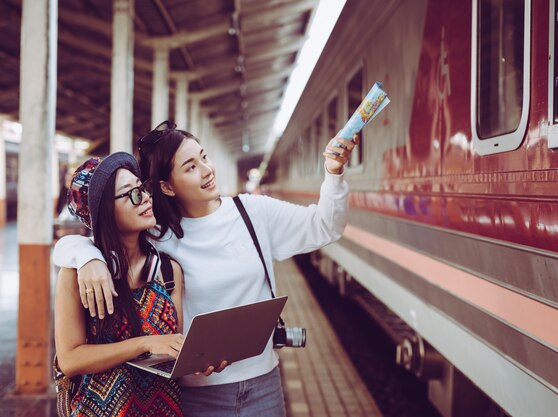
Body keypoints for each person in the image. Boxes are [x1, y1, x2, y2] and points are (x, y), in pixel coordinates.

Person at [53, 121, 359, 417]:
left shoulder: (254, 213)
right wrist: (83, 255)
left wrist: (333, 175)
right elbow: (104, 237)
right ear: (167, 187)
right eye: (190, 167)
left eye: (203, 157)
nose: (207, 170)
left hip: (263, 381)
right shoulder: (159, 233)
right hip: (194, 394)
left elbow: (325, 227)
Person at [54, 152, 187, 417]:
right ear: (104, 210)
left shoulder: (168, 271)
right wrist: (143, 344)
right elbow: (69, 360)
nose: (146, 198)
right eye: (132, 194)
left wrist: (202, 359)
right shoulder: (77, 275)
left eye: (143, 189)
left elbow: (171, 349)